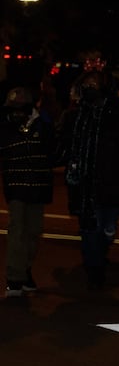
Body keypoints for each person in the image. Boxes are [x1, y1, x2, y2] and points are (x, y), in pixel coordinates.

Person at [57, 70, 119, 289]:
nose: (89, 89)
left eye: (94, 84)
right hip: (84, 184)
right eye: (86, 85)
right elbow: (62, 145)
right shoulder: (75, 116)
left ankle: (101, 251)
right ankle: (94, 269)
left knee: (107, 227)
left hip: (112, 181)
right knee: (89, 229)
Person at [1, 87, 54, 296]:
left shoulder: (42, 122)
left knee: (33, 231)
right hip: (15, 184)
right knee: (17, 230)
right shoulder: (5, 124)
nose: (18, 111)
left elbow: (52, 148)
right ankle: (14, 277)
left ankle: (25, 269)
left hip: (39, 185)